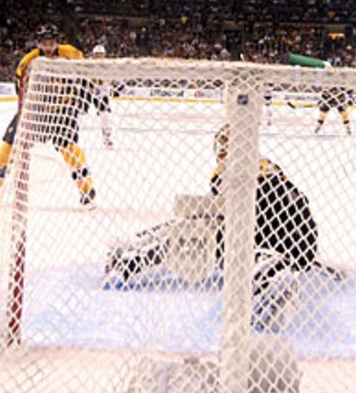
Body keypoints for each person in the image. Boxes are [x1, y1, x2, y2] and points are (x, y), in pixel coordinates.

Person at [105, 124, 321, 317]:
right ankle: (274, 273)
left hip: (261, 226)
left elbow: (216, 212)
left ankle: (132, 260)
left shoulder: (225, 170)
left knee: (198, 233)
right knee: (262, 250)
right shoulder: (269, 165)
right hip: (304, 240)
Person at [0, 24, 94, 207]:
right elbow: (19, 85)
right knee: (9, 144)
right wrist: (25, 107)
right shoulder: (30, 59)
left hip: (62, 111)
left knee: (69, 149)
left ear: (57, 42)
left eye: (51, 42)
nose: (48, 47)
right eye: (44, 43)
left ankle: (86, 189)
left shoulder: (70, 53)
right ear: (39, 43)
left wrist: (83, 99)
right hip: (34, 110)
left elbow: (86, 74)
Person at [312, 64, 352, 136]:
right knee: (322, 115)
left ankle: (348, 129)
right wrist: (322, 100)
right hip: (329, 100)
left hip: (339, 100)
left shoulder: (342, 82)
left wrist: (350, 99)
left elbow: (347, 91)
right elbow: (324, 92)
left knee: (344, 114)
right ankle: (317, 128)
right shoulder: (327, 82)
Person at [89, 44, 114, 147]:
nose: (99, 56)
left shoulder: (108, 67)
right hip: (90, 93)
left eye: (101, 54)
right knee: (78, 115)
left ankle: (107, 137)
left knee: (105, 115)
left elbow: (110, 81)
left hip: (102, 95)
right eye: (97, 54)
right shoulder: (89, 66)